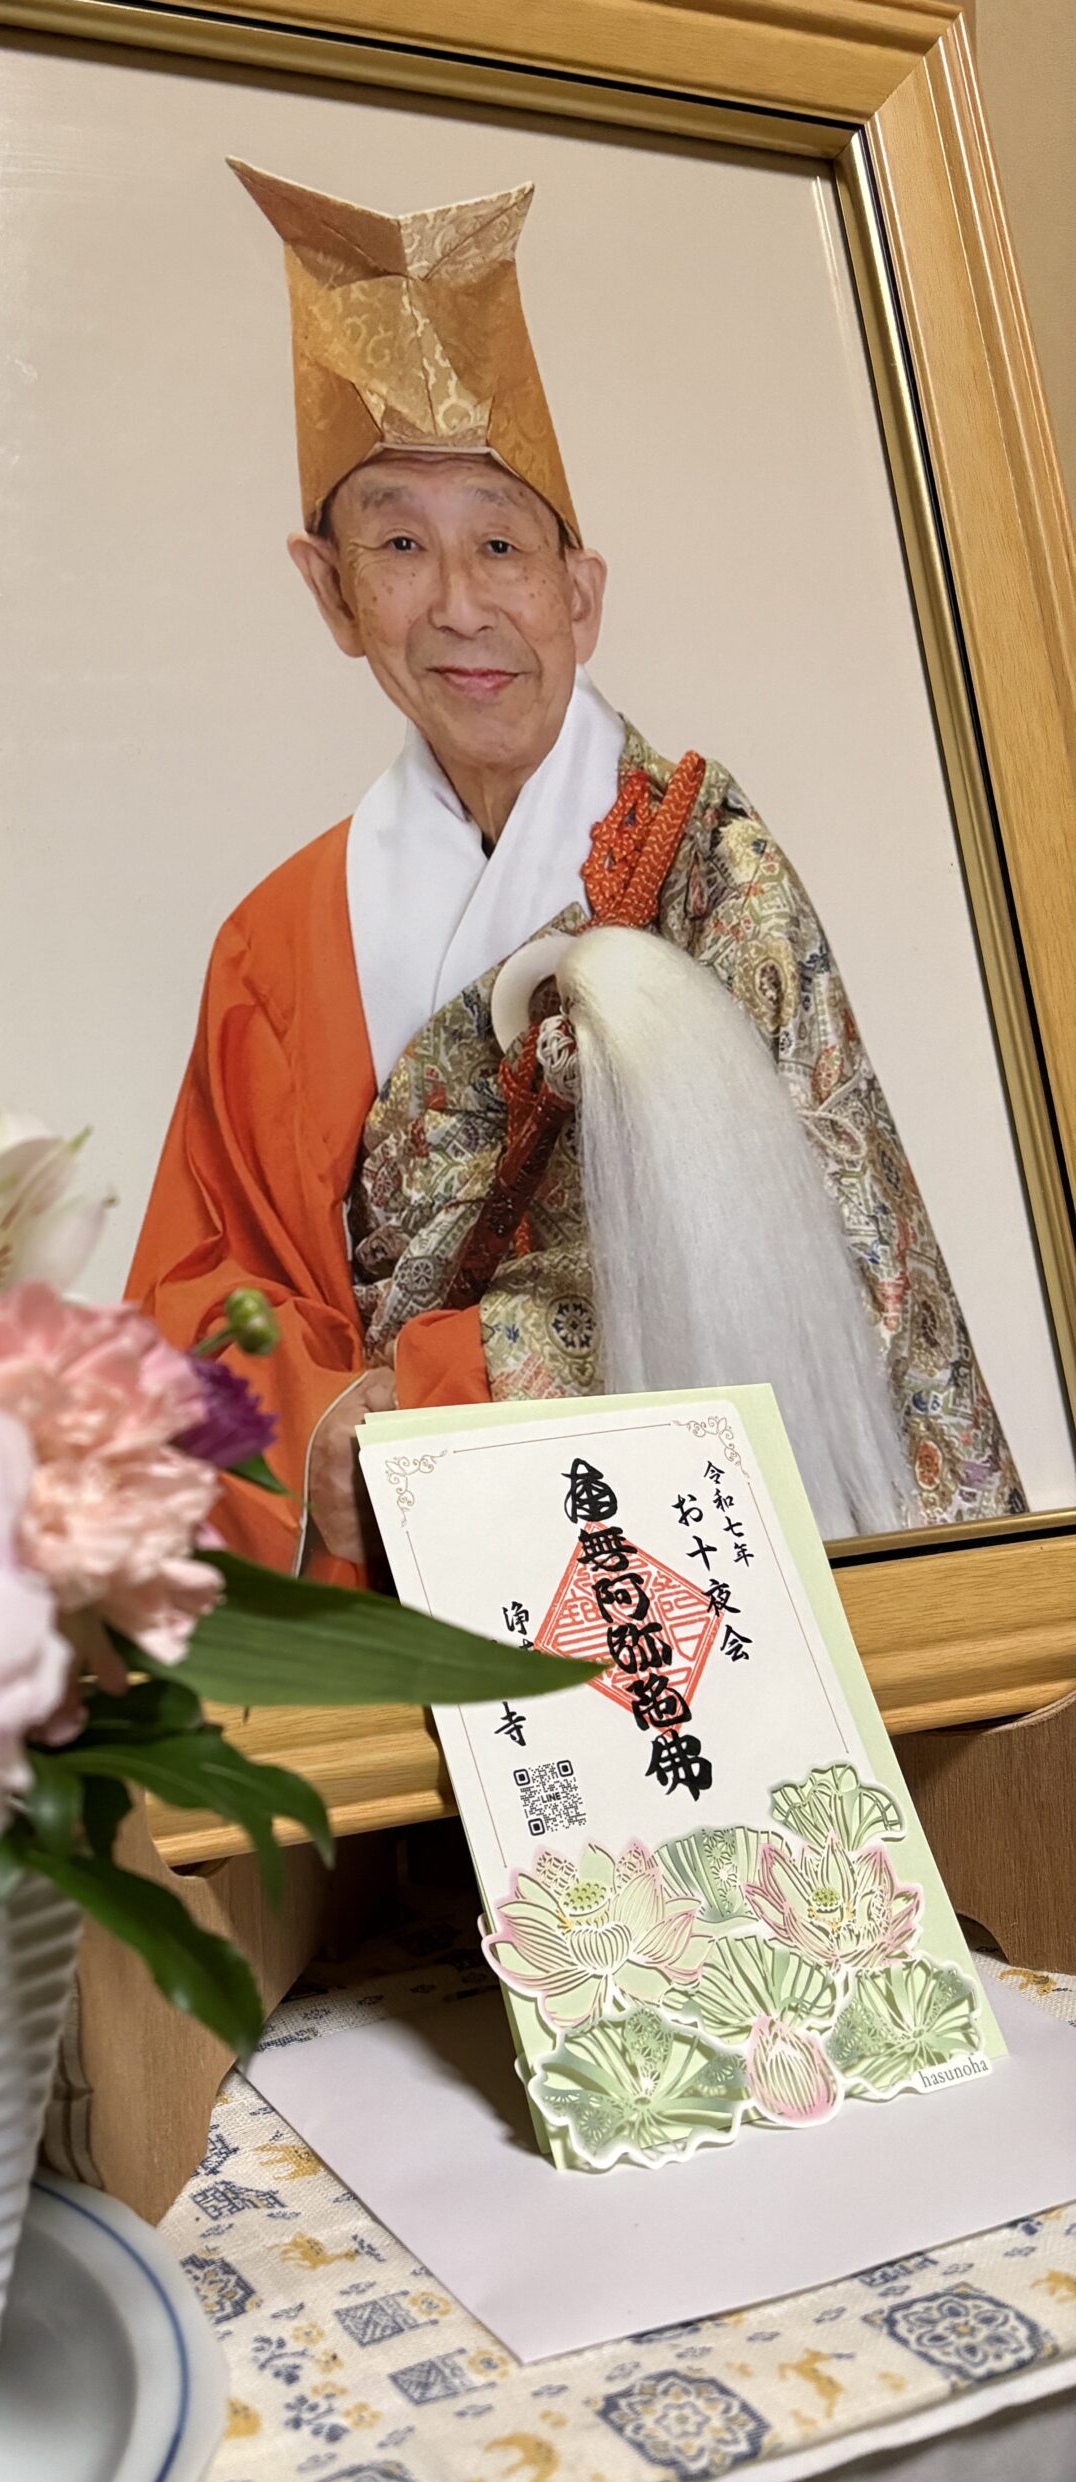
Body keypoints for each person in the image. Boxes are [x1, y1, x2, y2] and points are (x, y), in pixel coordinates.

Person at [129, 159, 1020, 1578]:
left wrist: (444, 1395)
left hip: (688, 1562)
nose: (461, 604)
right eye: (399, 545)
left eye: (501, 543)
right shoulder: (280, 938)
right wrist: (317, 1435)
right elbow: (197, 1291)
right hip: (399, 1590)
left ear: (579, 594)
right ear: (331, 591)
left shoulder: (699, 863)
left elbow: (832, 1268)